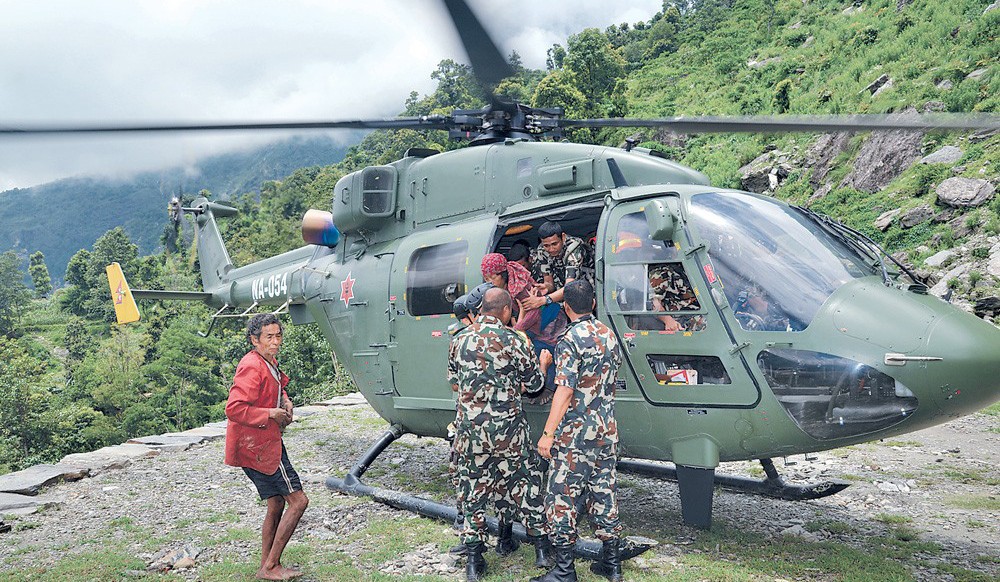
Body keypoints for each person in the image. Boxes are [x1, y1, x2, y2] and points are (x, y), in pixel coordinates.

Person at [448, 287, 554, 581]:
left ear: (481, 309)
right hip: (509, 432)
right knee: (527, 484)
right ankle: (542, 549)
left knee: (473, 492)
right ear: (506, 311)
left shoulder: (459, 341)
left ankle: (473, 560)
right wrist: (542, 366)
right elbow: (533, 385)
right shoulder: (514, 340)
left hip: (472, 433)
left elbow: (456, 385)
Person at [534, 280, 624, 582]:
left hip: (576, 435)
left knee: (561, 495)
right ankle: (611, 564)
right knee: (604, 491)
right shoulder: (608, 334)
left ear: (566, 307)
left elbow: (565, 391)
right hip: (606, 430)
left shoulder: (569, 340)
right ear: (594, 304)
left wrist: (548, 434)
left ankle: (563, 571)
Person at [225, 313, 308, 581]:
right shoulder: (251, 365)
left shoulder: (266, 360)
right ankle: (271, 566)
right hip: (260, 445)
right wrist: (270, 414)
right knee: (298, 501)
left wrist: (285, 401)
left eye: (278, 336)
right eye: (269, 337)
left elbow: (276, 385)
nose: (275, 342)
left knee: (275, 503)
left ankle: (266, 566)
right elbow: (234, 408)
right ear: (254, 340)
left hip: (256, 444)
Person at [446, 283, 492, 556]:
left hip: (467, 419)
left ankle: (465, 523)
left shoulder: (459, 338)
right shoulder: (473, 336)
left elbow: (454, 383)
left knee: (464, 471)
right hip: (488, 419)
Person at [522, 221, 595, 311]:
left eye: (554, 244)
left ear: (563, 237)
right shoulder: (542, 250)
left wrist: (543, 300)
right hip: (564, 287)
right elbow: (549, 282)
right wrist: (546, 287)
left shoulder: (574, 247)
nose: (551, 249)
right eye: (546, 245)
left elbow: (569, 287)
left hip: (588, 286)